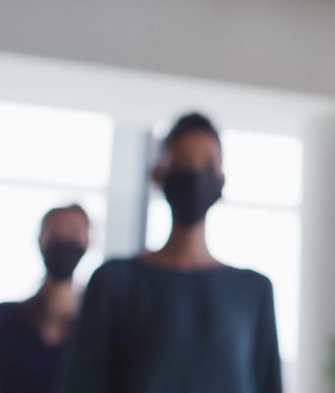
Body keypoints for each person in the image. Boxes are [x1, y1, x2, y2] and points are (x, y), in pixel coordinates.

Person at [60, 112, 281, 393]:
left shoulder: (253, 291)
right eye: (182, 162)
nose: (195, 174)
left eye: (208, 163)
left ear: (221, 179)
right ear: (158, 174)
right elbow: (83, 382)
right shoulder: (114, 281)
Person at [0, 203, 90, 393]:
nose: (65, 238)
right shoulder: (1, 319)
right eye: (56, 231)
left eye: (74, 231)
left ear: (87, 241)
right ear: (41, 239)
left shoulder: (98, 326)